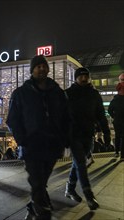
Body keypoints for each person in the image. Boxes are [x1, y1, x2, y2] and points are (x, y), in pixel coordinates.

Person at [6, 55, 70, 220]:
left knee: (41, 182)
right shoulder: (21, 93)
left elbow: (66, 118)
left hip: (52, 145)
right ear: (32, 70)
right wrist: (22, 140)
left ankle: (33, 206)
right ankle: (43, 212)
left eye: (44, 66)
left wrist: (64, 139)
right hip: (31, 145)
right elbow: (12, 119)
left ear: (48, 69)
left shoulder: (58, 92)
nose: (41, 68)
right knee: (36, 181)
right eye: (38, 66)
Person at [64, 67, 111, 210]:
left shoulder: (94, 94)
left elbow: (101, 116)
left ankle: (70, 188)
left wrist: (106, 134)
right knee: (81, 164)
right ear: (76, 78)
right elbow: (62, 116)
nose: (84, 79)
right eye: (81, 76)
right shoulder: (68, 94)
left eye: (86, 76)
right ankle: (88, 195)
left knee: (79, 163)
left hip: (88, 134)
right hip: (74, 135)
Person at [108, 73, 124, 159]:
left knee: (118, 136)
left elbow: (109, 110)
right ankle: (123, 155)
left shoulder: (115, 99)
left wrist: (114, 116)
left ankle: (117, 152)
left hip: (117, 120)